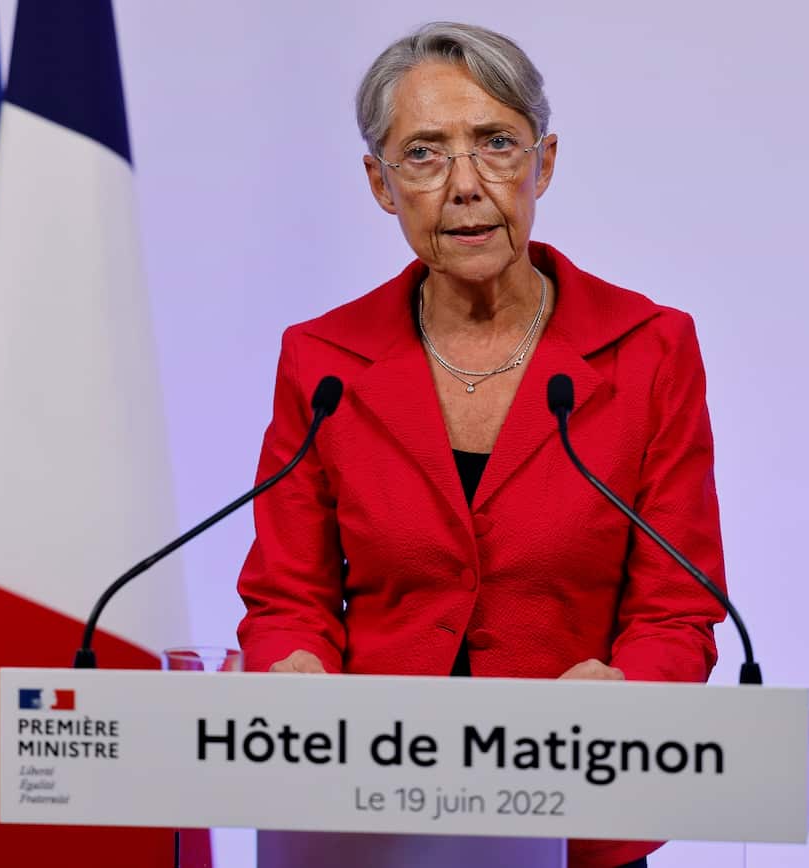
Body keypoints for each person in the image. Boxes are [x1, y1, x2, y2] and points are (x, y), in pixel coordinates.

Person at [237, 21, 727, 868]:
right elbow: (287, 594)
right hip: (368, 808)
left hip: (578, 801)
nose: (465, 185)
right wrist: (294, 668)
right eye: (423, 153)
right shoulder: (321, 360)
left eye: (495, 144)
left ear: (543, 163)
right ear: (381, 185)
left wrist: (630, 692)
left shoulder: (649, 347)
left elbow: (676, 606)